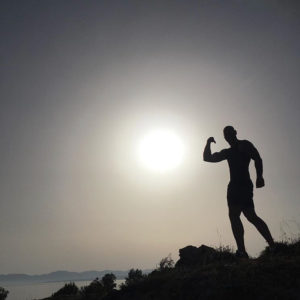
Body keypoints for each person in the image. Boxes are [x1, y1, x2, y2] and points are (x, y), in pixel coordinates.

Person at [203, 126, 275, 258]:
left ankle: (270, 246)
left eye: (229, 133)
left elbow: (257, 158)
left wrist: (259, 176)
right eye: (226, 134)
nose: (228, 136)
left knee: (248, 216)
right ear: (225, 137)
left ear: (235, 133)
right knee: (241, 216)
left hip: (242, 186)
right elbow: (207, 158)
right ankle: (244, 251)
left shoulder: (244, 145)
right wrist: (208, 143)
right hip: (235, 186)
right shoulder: (228, 152)